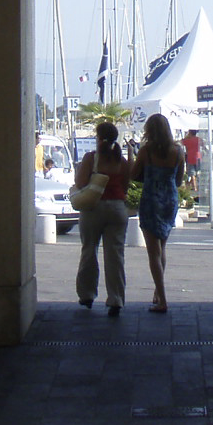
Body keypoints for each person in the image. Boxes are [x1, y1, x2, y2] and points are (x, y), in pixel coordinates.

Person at [74, 119, 132, 315]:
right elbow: (125, 187)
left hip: (93, 208)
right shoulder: (121, 161)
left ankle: (87, 294)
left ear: (98, 138)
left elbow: (81, 183)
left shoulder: (92, 158)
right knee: (115, 255)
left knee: (89, 250)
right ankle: (116, 298)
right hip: (117, 208)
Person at [134, 113, 185, 312]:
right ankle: (157, 291)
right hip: (169, 200)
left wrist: (131, 156)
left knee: (153, 252)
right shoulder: (178, 151)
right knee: (162, 248)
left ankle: (162, 299)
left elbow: (133, 174)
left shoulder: (146, 151)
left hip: (151, 199)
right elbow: (179, 180)